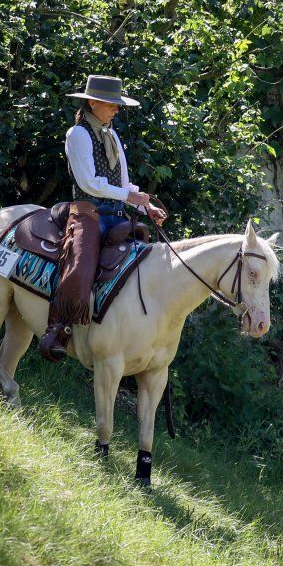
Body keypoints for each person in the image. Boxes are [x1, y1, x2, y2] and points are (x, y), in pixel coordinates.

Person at [38, 75, 167, 360]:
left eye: (118, 105)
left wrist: (145, 206)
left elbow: (123, 183)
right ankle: (58, 329)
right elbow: (88, 183)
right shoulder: (78, 134)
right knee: (80, 264)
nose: (116, 110)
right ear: (93, 102)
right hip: (88, 213)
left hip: (116, 213)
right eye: (111, 104)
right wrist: (128, 197)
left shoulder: (111, 134)